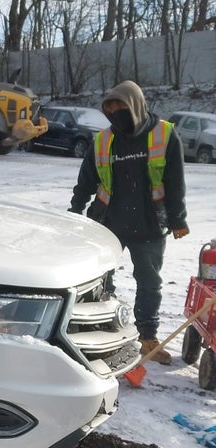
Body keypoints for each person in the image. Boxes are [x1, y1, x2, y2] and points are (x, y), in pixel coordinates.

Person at [69, 80, 189, 365]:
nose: (116, 112)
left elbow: (175, 182)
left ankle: (148, 337)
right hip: (108, 224)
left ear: (135, 104)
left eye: (121, 105)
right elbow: (86, 181)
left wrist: (178, 219)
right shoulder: (103, 140)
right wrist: (75, 212)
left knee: (149, 283)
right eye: (111, 108)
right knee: (99, 282)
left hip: (150, 225)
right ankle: (99, 331)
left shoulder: (164, 135)